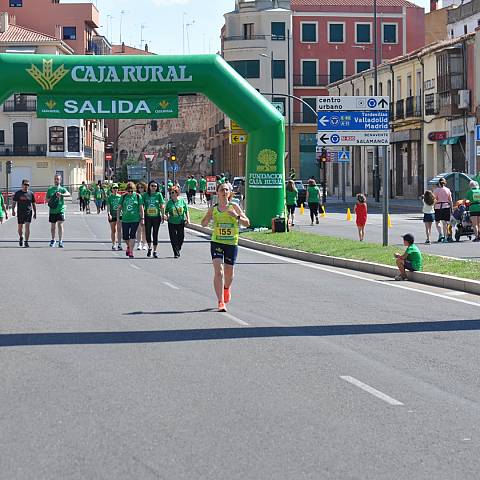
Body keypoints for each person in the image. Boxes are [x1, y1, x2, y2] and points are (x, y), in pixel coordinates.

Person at [201, 182, 250, 312]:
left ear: (229, 193)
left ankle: (226, 288)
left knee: (229, 273)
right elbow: (203, 224)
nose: (224, 192)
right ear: (217, 192)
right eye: (222, 190)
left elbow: (247, 223)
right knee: (219, 272)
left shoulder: (234, 206)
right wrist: (208, 218)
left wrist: (237, 217)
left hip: (231, 243)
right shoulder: (214, 208)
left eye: (227, 190)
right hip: (217, 241)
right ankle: (221, 301)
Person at [118, 181, 144, 258]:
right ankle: (129, 246)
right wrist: (118, 218)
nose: (130, 192)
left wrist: (142, 218)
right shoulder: (123, 196)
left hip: (135, 219)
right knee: (125, 236)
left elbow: (141, 208)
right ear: (126, 190)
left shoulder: (138, 196)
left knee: (132, 235)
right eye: (128, 191)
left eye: (132, 191)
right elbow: (119, 208)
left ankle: (131, 251)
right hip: (125, 219)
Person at [165, 186, 189, 258]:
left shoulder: (182, 201)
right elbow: (166, 211)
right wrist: (167, 216)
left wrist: (188, 219)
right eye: (170, 193)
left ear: (177, 193)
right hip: (172, 222)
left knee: (181, 237)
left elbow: (186, 210)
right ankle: (176, 252)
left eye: (173, 193)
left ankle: (178, 248)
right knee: (173, 238)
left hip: (180, 222)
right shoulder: (169, 203)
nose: (171, 194)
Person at [46, 174, 70, 248]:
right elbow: (46, 199)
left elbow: (68, 194)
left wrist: (61, 195)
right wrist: (52, 198)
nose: (56, 180)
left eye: (58, 179)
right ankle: (53, 240)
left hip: (60, 209)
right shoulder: (50, 189)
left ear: (60, 180)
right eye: (55, 179)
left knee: (60, 224)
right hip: (52, 210)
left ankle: (60, 241)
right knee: (53, 226)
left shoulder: (62, 189)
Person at [143, 180, 165, 258]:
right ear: (149, 186)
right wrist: (142, 216)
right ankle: (149, 247)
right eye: (152, 186)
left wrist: (163, 215)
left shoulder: (159, 195)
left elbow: (162, 205)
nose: (153, 187)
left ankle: (155, 251)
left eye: (155, 186)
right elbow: (142, 206)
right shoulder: (145, 195)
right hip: (147, 217)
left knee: (155, 233)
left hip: (156, 217)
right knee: (148, 233)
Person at [12, 179, 36, 247]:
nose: (26, 186)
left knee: (27, 226)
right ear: (22, 185)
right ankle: (21, 237)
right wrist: (13, 210)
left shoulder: (31, 193)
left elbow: (33, 204)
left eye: (28, 185)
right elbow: (14, 202)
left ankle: (26, 241)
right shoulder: (18, 193)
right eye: (25, 184)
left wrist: (35, 213)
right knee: (20, 227)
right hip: (20, 212)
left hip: (28, 212)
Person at [433, 177, 452, 243]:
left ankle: (440, 234)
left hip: (438, 207)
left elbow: (434, 200)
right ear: (445, 183)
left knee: (437, 222)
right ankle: (446, 238)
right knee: (445, 223)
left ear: (439, 183)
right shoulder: (448, 190)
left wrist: (433, 206)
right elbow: (450, 200)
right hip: (446, 207)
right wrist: (451, 209)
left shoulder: (436, 190)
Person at [107, 183, 122, 250]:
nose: (115, 189)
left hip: (119, 215)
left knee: (119, 230)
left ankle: (119, 244)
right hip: (112, 215)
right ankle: (113, 244)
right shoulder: (109, 197)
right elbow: (108, 206)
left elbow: (122, 206)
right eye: (114, 188)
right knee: (113, 230)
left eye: (116, 188)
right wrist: (109, 214)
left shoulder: (120, 197)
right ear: (112, 189)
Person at [135, 182, 147, 250]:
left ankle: (144, 244)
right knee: (138, 229)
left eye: (142, 187)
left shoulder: (146, 195)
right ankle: (139, 243)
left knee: (144, 230)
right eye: (139, 187)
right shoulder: (136, 195)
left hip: (146, 214)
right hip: (137, 214)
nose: (140, 189)